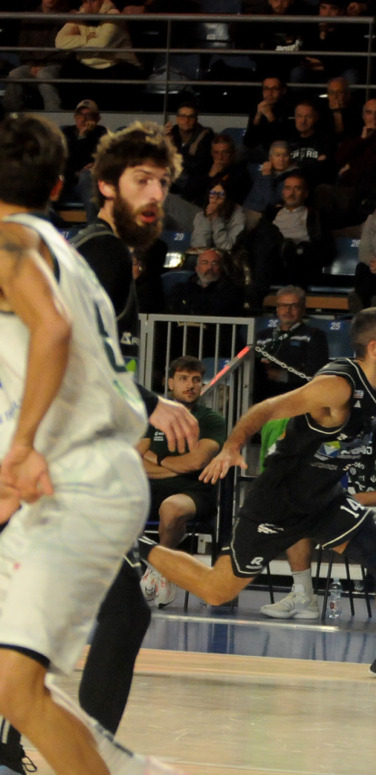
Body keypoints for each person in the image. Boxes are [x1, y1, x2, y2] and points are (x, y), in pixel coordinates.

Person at [141, 217, 376, 684]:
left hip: (324, 498)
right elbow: (266, 407)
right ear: (375, 347)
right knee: (218, 590)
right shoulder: (336, 386)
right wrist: (233, 446)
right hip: (278, 501)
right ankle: (138, 547)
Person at [0, 113, 193, 775]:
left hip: (75, 471)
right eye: (145, 179)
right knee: (17, 684)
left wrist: (21, 446)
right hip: (93, 469)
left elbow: (52, 333)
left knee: (19, 682)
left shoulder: (22, 243)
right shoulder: (70, 251)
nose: (156, 193)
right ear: (61, 185)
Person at [260, 406, 376, 621]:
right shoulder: (340, 429)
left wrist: (357, 498)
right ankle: (303, 594)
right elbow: (319, 464)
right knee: (302, 503)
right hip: (364, 507)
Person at [76, 121, 177, 363]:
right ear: (107, 186)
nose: (156, 195)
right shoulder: (104, 249)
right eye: (142, 181)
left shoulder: (104, 244)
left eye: (162, 182)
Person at [135, 356, 226, 608]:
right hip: (151, 490)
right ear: (170, 383)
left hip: (195, 492)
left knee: (171, 508)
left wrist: (157, 457)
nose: (190, 385)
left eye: (196, 380)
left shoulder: (210, 420)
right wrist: (177, 467)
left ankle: (161, 569)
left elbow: (196, 462)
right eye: (183, 379)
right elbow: (134, 460)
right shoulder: (154, 418)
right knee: (115, 503)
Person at [245, 171, 335, 308]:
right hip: (272, 260)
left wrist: (300, 250)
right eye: (287, 188)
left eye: (297, 188)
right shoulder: (271, 213)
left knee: (271, 242)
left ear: (305, 193)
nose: (291, 193)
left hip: (297, 262)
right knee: (266, 233)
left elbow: (327, 251)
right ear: (282, 192)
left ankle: (255, 296)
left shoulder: (317, 216)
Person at [253, 285, 330, 401]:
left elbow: (315, 372)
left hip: (297, 395)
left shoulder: (315, 335)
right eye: (283, 305)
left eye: (294, 306)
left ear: (303, 309)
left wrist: (280, 375)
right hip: (263, 394)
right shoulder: (262, 336)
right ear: (277, 309)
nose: (287, 310)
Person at [4, 0, 68, 113]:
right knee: (15, 74)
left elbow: (67, 49)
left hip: (56, 65)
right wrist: (31, 64)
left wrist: (45, 65)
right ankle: (12, 115)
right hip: (32, 65)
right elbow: (23, 46)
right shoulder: (30, 16)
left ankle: (54, 114)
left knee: (44, 74)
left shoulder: (67, 17)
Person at [166, 247, 244, 316]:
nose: (209, 267)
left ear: (221, 268)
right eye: (205, 263)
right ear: (197, 268)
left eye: (214, 263)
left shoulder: (231, 292)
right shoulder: (180, 290)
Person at [192, 182, 247, 254]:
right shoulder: (201, 215)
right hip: (206, 256)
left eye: (221, 194)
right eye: (212, 193)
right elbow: (199, 247)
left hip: (228, 255)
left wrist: (216, 219)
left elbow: (226, 247)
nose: (216, 198)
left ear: (227, 198)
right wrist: (208, 219)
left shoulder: (238, 215)